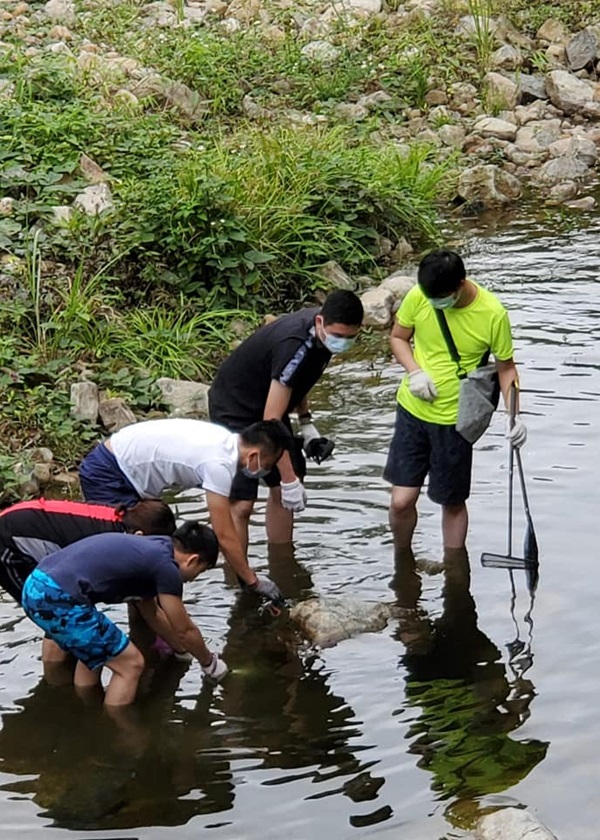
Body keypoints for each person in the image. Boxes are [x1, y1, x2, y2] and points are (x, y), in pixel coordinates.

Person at [385, 249, 527, 551]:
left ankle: (454, 567)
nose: (434, 302)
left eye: (440, 297)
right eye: (430, 296)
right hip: (413, 410)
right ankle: (402, 559)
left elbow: (506, 368)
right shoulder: (419, 295)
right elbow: (398, 338)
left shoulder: (492, 314)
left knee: (451, 501)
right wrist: (415, 372)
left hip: (456, 422)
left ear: (460, 284)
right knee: (401, 501)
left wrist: (514, 416)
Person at [208, 289, 364, 548]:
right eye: (338, 336)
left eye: (351, 337)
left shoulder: (323, 338)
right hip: (234, 406)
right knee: (243, 502)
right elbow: (271, 422)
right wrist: (289, 480)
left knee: (284, 485)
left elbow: (296, 383)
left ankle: (282, 560)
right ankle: (238, 570)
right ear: (320, 322)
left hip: (269, 402)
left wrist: (306, 424)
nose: (343, 342)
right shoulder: (294, 345)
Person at [78, 418, 292, 603]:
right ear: (254, 456)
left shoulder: (224, 440)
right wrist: (254, 582)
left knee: (149, 557)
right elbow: (224, 535)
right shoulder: (219, 464)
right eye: (268, 464)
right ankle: (159, 630)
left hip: (122, 466)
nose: (267, 470)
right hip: (109, 473)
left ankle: (153, 627)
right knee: (138, 562)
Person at [21, 523, 228, 707]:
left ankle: (86, 708)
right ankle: (117, 728)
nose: (194, 579)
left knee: (97, 651)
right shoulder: (167, 568)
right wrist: (210, 663)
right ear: (193, 560)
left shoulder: (154, 549)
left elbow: (153, 614)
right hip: (58, 597)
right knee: (131, 664)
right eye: (201, 571)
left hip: (35, 586)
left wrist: (181, 651)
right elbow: (185, 629)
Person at [0, 497, 175, 604]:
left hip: (25, 516)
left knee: (65, 612)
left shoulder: (121, 517)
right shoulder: (113, 543)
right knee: (48, 608)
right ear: (139, 535)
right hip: (8, 541)